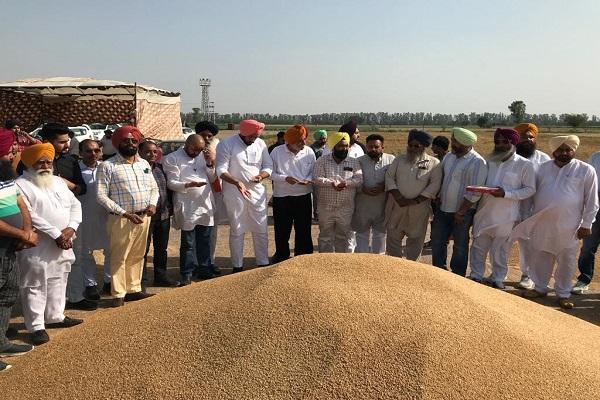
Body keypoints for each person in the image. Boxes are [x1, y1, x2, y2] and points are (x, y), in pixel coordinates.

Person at [512, 135, 598, 309]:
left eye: (568, 150)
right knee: (541, 255)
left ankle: (563, 293)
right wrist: (525, 217)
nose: (564, 153)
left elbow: (592, 200)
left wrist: (587, 224)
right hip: (542, 222)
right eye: (560, 150)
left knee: (567, 260)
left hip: (570, 225)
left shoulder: (585, 170)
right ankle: (540, 287)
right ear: (553, 151)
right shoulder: (541, 169)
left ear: (574, 150)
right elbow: (530, 197)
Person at [16, 143, 83, 345]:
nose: (45, 165)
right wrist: (56, 234)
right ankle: (36, 326)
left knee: (59, 278)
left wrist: (71, 228)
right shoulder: (20, 185)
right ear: (29, 164)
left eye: (49, 162)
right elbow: (29, 214)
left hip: (64, 241)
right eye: (40, 162)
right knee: (35, 283)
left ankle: (55, 316)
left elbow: (75, 204)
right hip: (38, 244)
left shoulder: (57, 181)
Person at [96, 126, 158, 307]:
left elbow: (153, 188)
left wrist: (153, 204)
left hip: (144, 217)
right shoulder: (108, 166)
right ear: (117, 143)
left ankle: (134, 289)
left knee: (138, 254)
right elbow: (100, 196)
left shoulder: (144, 164)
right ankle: (118, 294)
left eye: (133, 140)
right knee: (119, 256)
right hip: (121, 219)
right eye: (126, 140)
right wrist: (125, 213)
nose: (130, 143)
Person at [468, 129, 535, 289]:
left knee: (500, 250)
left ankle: (497, 278)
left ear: (514, 143)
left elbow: (529, 189)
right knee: (478, 247)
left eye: (505, 142)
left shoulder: (524, 164)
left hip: (506, 216)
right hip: (484, 212)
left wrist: (506, 193)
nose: (501, 145)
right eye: (497, 142)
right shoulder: (488, 161)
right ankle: (476, 276)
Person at [216, 119, 273, 273]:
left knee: (261, 228)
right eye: (251, 136)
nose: (253, 139)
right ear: (244, 133)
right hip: (234, 193)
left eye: (256, 136)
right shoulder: (226, 144)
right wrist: (236, 182)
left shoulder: (260, 144)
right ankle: (237, 266)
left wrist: (261, 176)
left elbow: (268, 166)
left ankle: (263, 263)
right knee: (237, 228)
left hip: (257, 191)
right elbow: (220, 169)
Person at [0, 131, 37, 367]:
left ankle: (1, 341)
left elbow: (19, 201)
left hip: (10, 246)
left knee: (7, 294)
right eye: (10, 149)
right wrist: (23, 234)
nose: (15, 152)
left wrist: (27, 231)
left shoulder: (5, 174)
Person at [431, 127, 487, 276]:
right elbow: (442, 178)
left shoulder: (477, 162)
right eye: (453, 140)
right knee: (437, 240)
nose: (452, 144)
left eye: (455, 142)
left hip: (463, 212)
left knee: (460, 245)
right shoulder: (450, 157)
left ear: (465, 143)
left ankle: (457, 276)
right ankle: (438, 271)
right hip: (443, 208)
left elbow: (475, 190)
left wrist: (461, 211)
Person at [163, 135, 217, 285]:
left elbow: (212, 179)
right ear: (187, 144)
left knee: (205, 241)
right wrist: (188, 184)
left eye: (200, 150)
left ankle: (204, 270)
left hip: (205, 204)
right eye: (194, 149)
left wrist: (210, 164)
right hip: (187, 205)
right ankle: (186, 273)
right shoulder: (172, 158)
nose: (197, 152)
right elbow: (171, 183)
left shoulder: (202, 156)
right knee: (188, 243)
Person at [384, 130, 441, 260]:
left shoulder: (434, 163)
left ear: (424, 147)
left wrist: (415, 201)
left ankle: (413, 268)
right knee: (393, 237)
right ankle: (393, 266)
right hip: (398, 206)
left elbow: (435, 185)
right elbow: (389, 177)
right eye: (410, 145)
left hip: (419, 209)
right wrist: (398, 196)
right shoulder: (399, 160)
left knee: (416, 239)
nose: (412, 148)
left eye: (417, 146)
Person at [513, 123, 551, 290]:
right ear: (516, 138)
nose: (528, 139)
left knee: (528, 244)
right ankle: (498, 273)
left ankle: (527, 275)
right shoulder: (508, 156)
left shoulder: (543, 159)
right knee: (500, 241)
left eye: (531, 137)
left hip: (532, 209)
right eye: (524, 136)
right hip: (508, 206)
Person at [72, 139, 112, 301]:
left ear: (101, 152)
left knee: (111, 250)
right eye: (88, 151)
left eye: (96, 151)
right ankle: (90, 284)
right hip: (84, 217)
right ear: (81, 153)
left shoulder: (107, 168)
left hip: (107, 217)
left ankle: (109, 281)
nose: (93, 154)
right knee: (85, 252)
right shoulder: (75, 171)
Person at [270, 124, 315, 263]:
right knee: (282, 229)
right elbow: (269, 172)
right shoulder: (277, 152)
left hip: (304, 196)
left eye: (304, 139)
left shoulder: (308, 152)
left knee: (304, 228)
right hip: (282, 196)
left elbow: (314, 171)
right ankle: (282, 255)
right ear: (289, 141)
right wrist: (285, 178)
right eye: (300, 141)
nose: (303, 143)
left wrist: (308, 180)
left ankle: (303, 257)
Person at [138, 141, 179, 288]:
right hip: (145, 217)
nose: (152, 155)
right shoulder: (136, 170)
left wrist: (170, 207)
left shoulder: (161, 168)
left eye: (155, 152)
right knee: (143, 249)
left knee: (161, 249)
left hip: (163, 216)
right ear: (140, 152)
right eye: (148, 152)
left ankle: (160, 276)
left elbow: (167, 190)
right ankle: (140, 280)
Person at [314, 131, 363, 253]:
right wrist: (331, 183)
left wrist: (347, 183)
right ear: (334, 146)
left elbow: (359, 179)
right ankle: (325, 264)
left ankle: (340, 264)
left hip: (345, 208)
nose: (344, 148)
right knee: (325, 237)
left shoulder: (354, 162)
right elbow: (316, 179)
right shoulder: (322, 161)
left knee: (342, 237)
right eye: (341, 146)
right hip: (326, 207)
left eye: (346, 146)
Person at [352, 134, 395, 254]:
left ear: (383, 147)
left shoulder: (391, 160)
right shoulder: (358, 161)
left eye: (376, 147)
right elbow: (353, 179)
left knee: (380, 235)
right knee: (361, 235)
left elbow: (395, 179)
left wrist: (384, 187)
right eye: (370, 147)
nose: (373, 149)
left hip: (382, 205)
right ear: (366, 147)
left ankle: (378, 263)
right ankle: (362, 263)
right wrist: (362, 189)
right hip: (363, 205)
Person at [194, 120, 226, 268]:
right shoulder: (189, 152)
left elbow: (216, 176)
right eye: (203, 135)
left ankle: (209, 262)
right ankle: (194, 264)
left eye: (210, 136)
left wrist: (210, 163)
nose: (207, 139)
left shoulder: (217, 151)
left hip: (214, 195)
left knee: (212, 231)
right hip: (194, 197)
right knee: (193, 232)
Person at [573, 148, 600, 294]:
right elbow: (588, 183)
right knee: (588, 248)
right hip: (596, 205)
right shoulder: (596, 157)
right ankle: (584, 279)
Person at [310, 129, 328, 221]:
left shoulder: (327, 147)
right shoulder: (312, 148)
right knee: (316, 196)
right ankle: (316, 214)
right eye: (322, 139)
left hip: (326, 174)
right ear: (317, 139)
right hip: (315, 175)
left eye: (325, 138)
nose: (324, 140)